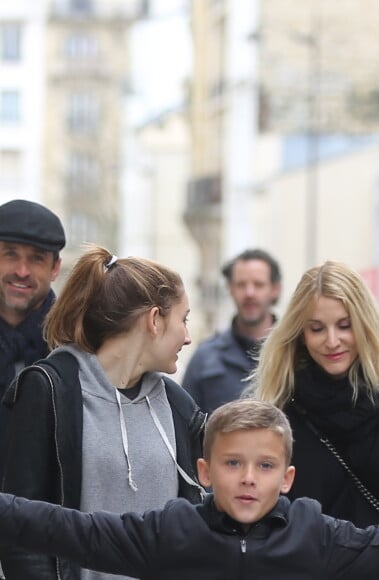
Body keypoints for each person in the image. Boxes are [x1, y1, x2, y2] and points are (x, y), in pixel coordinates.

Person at [0, 399, 379, 579]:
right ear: (204, 472)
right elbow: (67, 529)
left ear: (288, 477)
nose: (248, 478)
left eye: (264, 466)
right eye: (232, 463)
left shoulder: (315, 534)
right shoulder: (168, 532)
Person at [0, 245, 207, 580]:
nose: (187, 336)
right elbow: (19, 529)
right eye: (182, 320)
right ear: (154, 320)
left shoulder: (179, 406)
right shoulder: (49, 390)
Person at [251, 261, 379, 529]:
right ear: (300, 334)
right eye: (317, 328)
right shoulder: (278, 411)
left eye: (345, 325)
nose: (332, 340)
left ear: (364, 325)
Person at [0, 199, 65, 478]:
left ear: (54, 268)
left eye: (36, 258)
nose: (22, 271)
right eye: (10, 254)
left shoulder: (76, 343)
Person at [183, 248, 281, 413]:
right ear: (230, 289)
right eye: (241, 285)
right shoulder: (205, 358)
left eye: (258, 284)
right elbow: (184, 424)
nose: (249, 293)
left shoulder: (293, 352)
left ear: (275, 289)